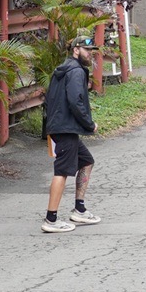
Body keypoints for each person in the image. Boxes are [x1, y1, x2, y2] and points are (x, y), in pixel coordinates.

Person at [41, 40, 101, 233]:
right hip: (65, 128)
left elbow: (48, 99)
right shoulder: (75, 71)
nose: (90, 54)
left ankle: (79, 209)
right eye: (87, 50)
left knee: (86, 161)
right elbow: (76, 101)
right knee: (62, 171)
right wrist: (89, 124)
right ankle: (51, 219)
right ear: (76, 50)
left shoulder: (62, 69)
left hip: (61, 126)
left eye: (92, 50)